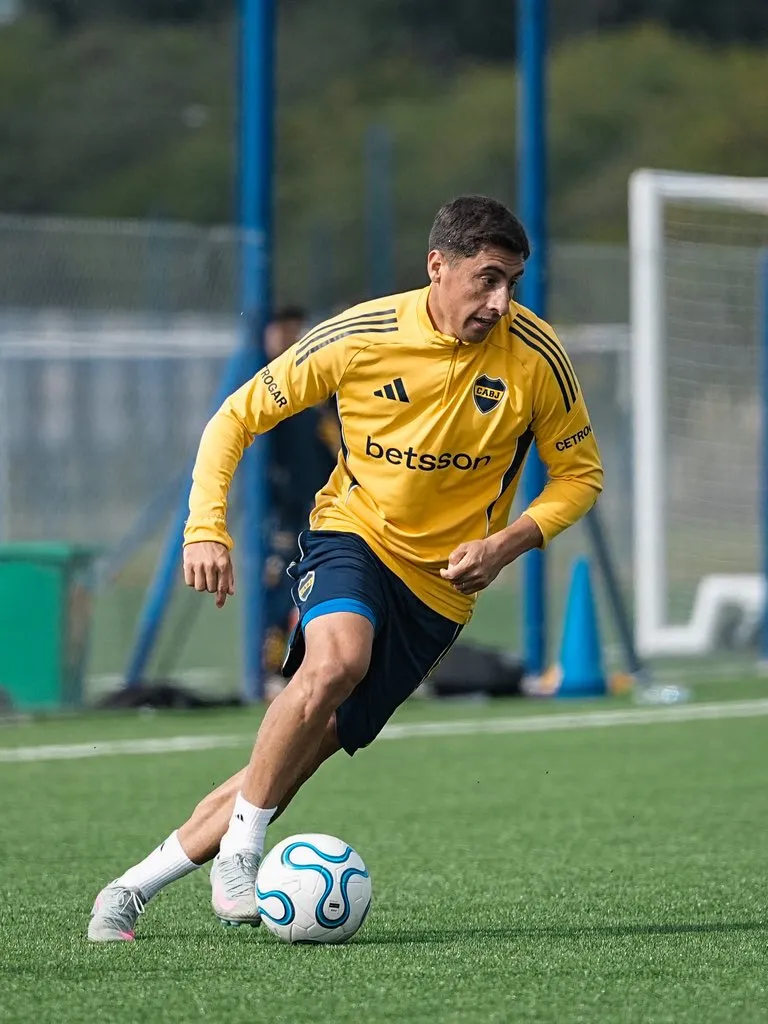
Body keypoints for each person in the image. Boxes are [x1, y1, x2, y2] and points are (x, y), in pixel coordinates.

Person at [88, 195, 603, 942]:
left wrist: (507, 542)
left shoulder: (537, 357)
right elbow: (235, 418)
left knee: (288, 765)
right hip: (351, 535)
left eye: (513, 284)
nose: (501, 302)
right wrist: (205, 530)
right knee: (336, 661)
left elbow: (580, 475)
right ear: (438, 266)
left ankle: (129, 890)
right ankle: (242, 854)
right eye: (487, 280)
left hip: (439, 595)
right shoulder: (362, 334)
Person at [260, 307, 340, 694]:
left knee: (329, 586)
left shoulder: (317, 386)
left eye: (295, 332)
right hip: (285, 514)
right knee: (278, 588)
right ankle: (270, 671)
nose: (290, 340)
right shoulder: (263, 391)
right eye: (282, 332)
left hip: (324, 507)